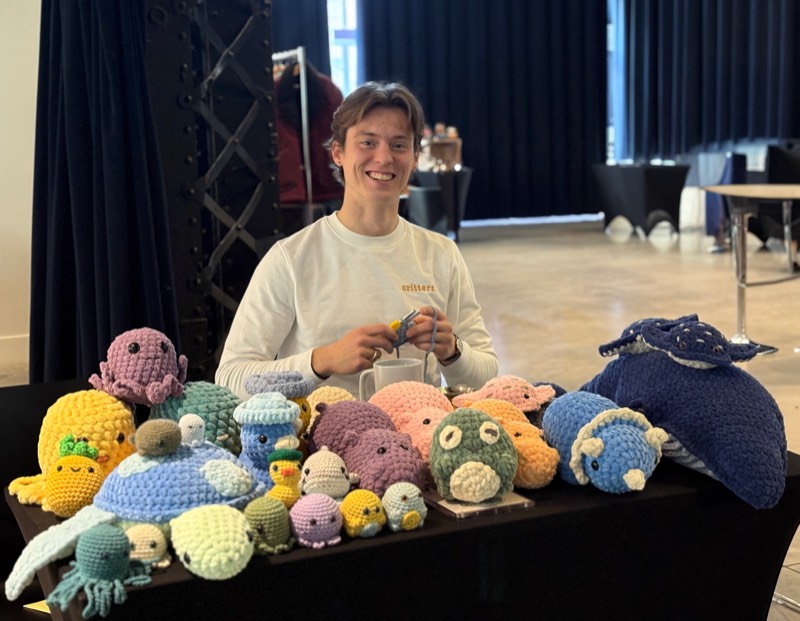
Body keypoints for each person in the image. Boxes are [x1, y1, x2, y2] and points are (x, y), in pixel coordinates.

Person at [215, 81, 498, 399]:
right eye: (367, 142)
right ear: (338, 152)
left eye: (399, 145)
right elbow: (230, 378)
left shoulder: (441, 254)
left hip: (417, 427)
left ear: (415, 157)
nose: (384, 157)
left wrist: (452, 350)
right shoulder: (291, 258)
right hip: (322, 431)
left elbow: (487, 379)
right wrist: (321, 360)